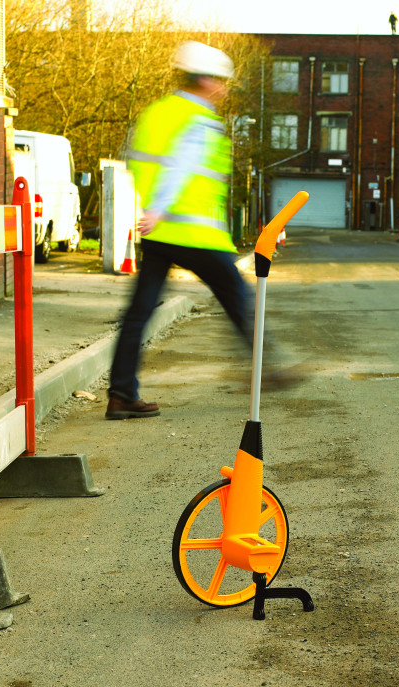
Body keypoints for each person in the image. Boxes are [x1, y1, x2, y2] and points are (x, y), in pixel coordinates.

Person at [105, 41, 254, 420]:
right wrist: (161, 206)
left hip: (160, 232)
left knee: (139, 311)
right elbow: (181, 165)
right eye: (219, 82)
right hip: (193, 233)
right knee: (238, 297)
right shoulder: (200, 118)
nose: (222, 90)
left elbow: (136, 160)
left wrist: (152, 207)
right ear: (203, 80)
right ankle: (268, 368)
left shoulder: (155, 113)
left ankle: (122, 394)